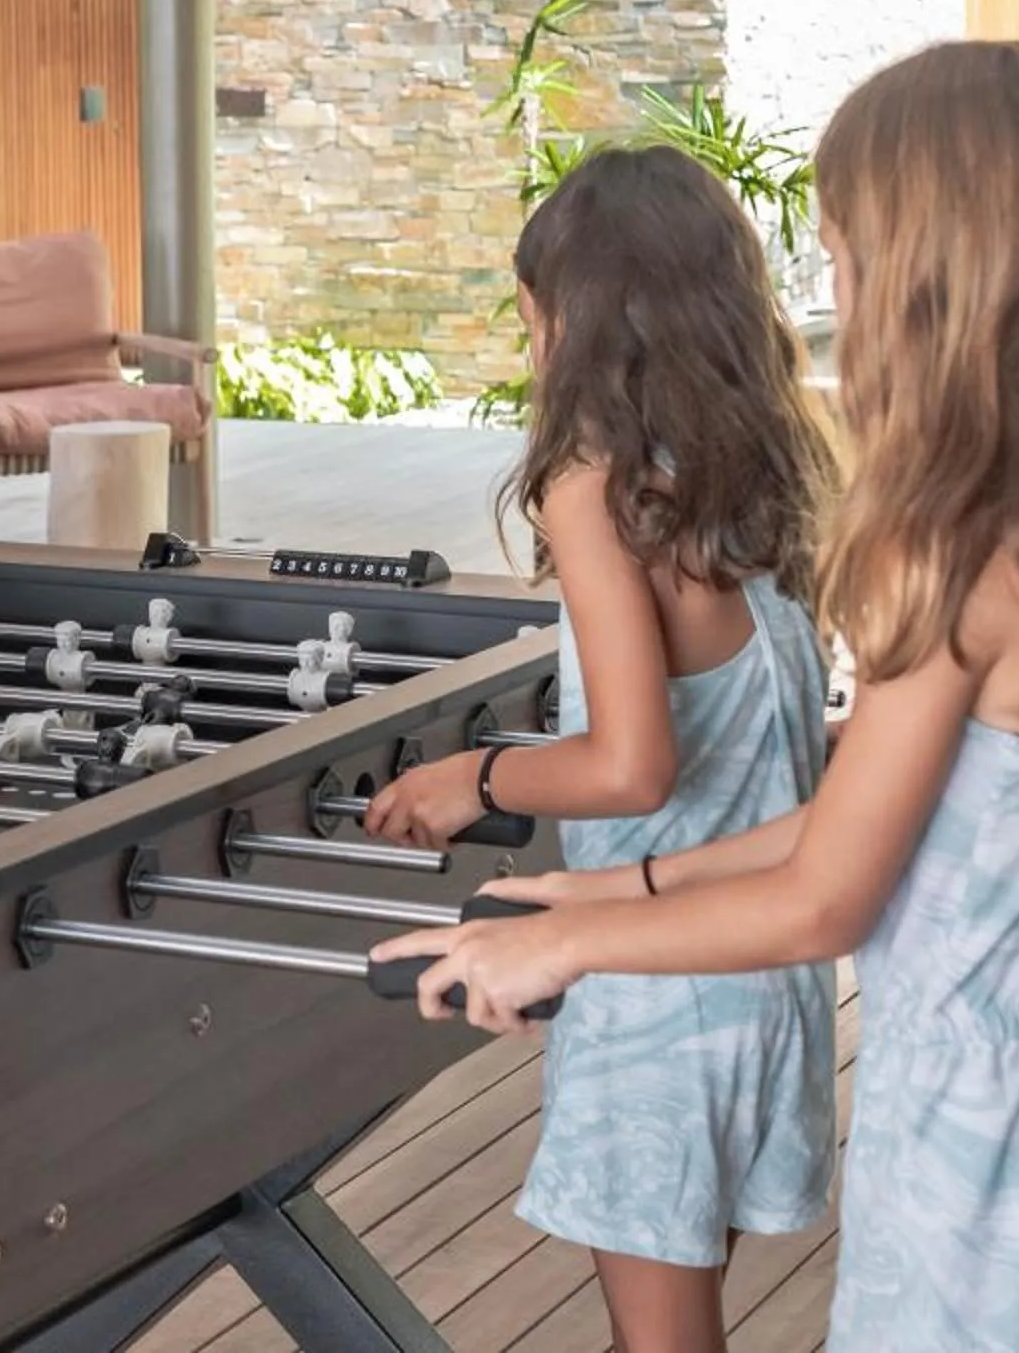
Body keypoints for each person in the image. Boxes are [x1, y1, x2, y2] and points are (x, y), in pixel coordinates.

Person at [374, 41, 1019, 1352]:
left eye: (845, 248)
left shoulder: (963, 553)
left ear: (930, 276)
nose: (832, 285)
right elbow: (872, 812)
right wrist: (606, 888)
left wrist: (560, 944)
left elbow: (827, 897)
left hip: (983, 1167)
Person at [361, 144, 838, 1353]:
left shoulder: (595, 486)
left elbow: (634, 765)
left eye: (533, 322)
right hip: (763, 980)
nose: (532, 351)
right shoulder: (760, 481)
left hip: (656, 996)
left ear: (572, 320)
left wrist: (468, 778)